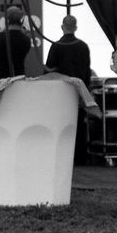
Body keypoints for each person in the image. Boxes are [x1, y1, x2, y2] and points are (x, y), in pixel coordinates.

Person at [45, 15, 93, 164]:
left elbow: (49, 70)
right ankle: (81, 155)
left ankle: (64, 155)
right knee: (79, 122)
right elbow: (87, 71)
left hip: (61, 91)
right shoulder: (83, 46)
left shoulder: (56, 46)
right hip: (79, 89)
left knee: (62, 122)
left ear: (62, 27)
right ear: (76, 28)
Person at [0, 6, 31, 79]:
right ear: (21, 20)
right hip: (19, 78)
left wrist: (2, 30)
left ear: (6, 21)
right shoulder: (26, 39)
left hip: (1, 79)